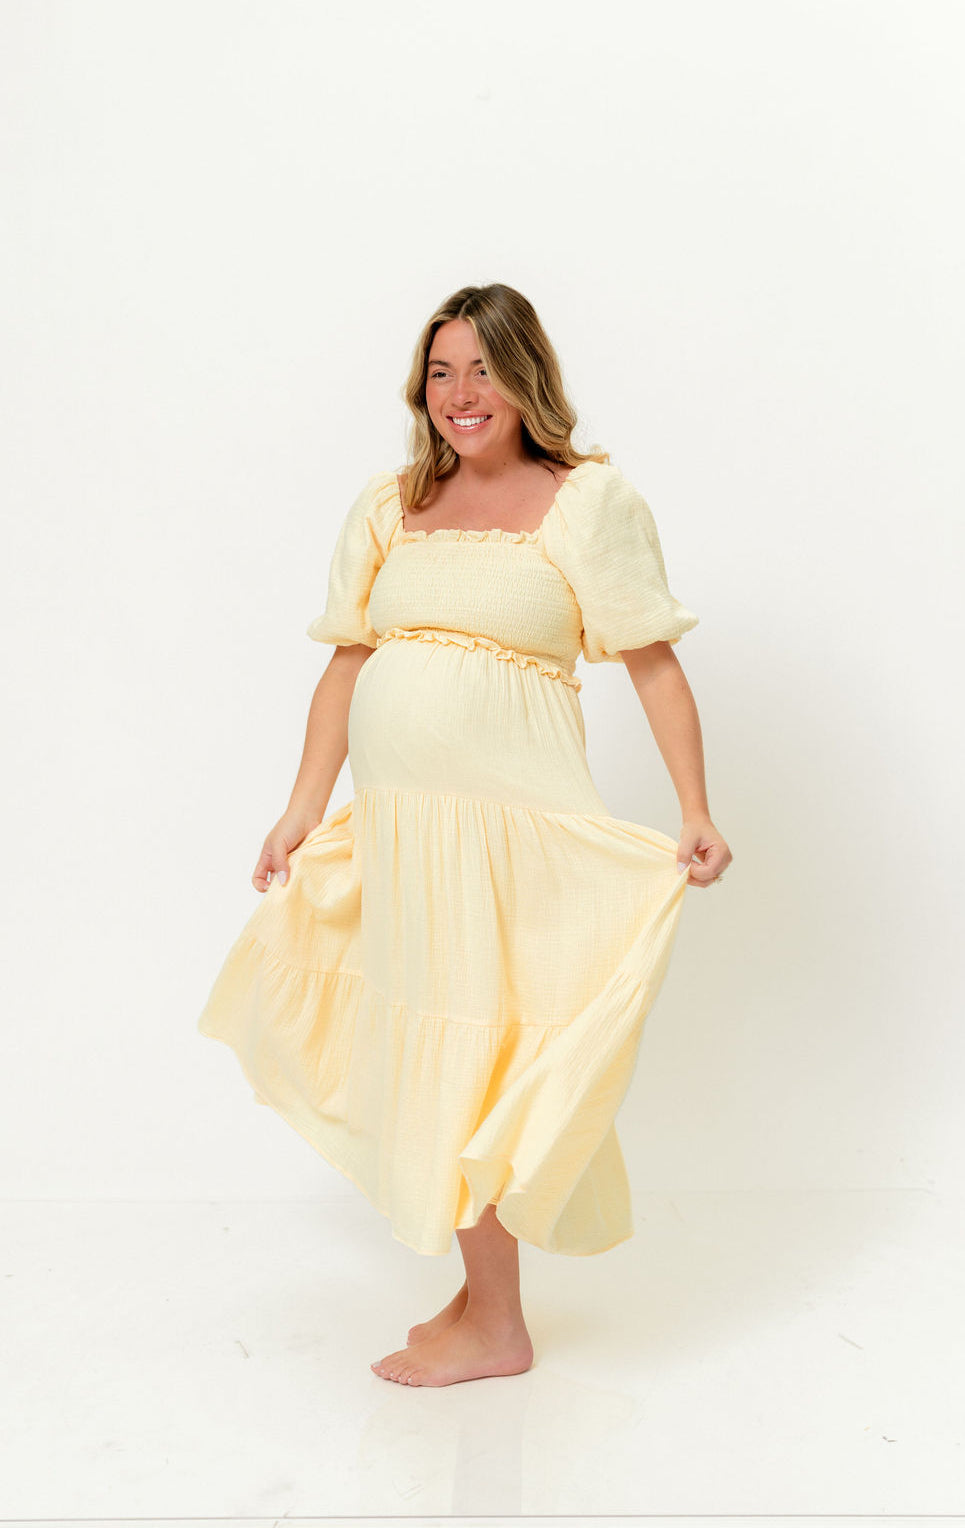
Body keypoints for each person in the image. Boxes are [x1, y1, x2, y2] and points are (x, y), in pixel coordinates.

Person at [197, 282, 733, 1388]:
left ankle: (497, 1326)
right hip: (408, 835)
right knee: (434, 1038)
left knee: (488, 1049)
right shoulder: (392, 505)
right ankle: (485, 1301)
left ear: (525, 377)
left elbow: (651, 663)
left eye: (482, 368)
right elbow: (346, 664)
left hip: (514, 834)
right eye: (440, 373)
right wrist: (302, 806)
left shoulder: (585, 503)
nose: (459, 393)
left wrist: (694, 807)